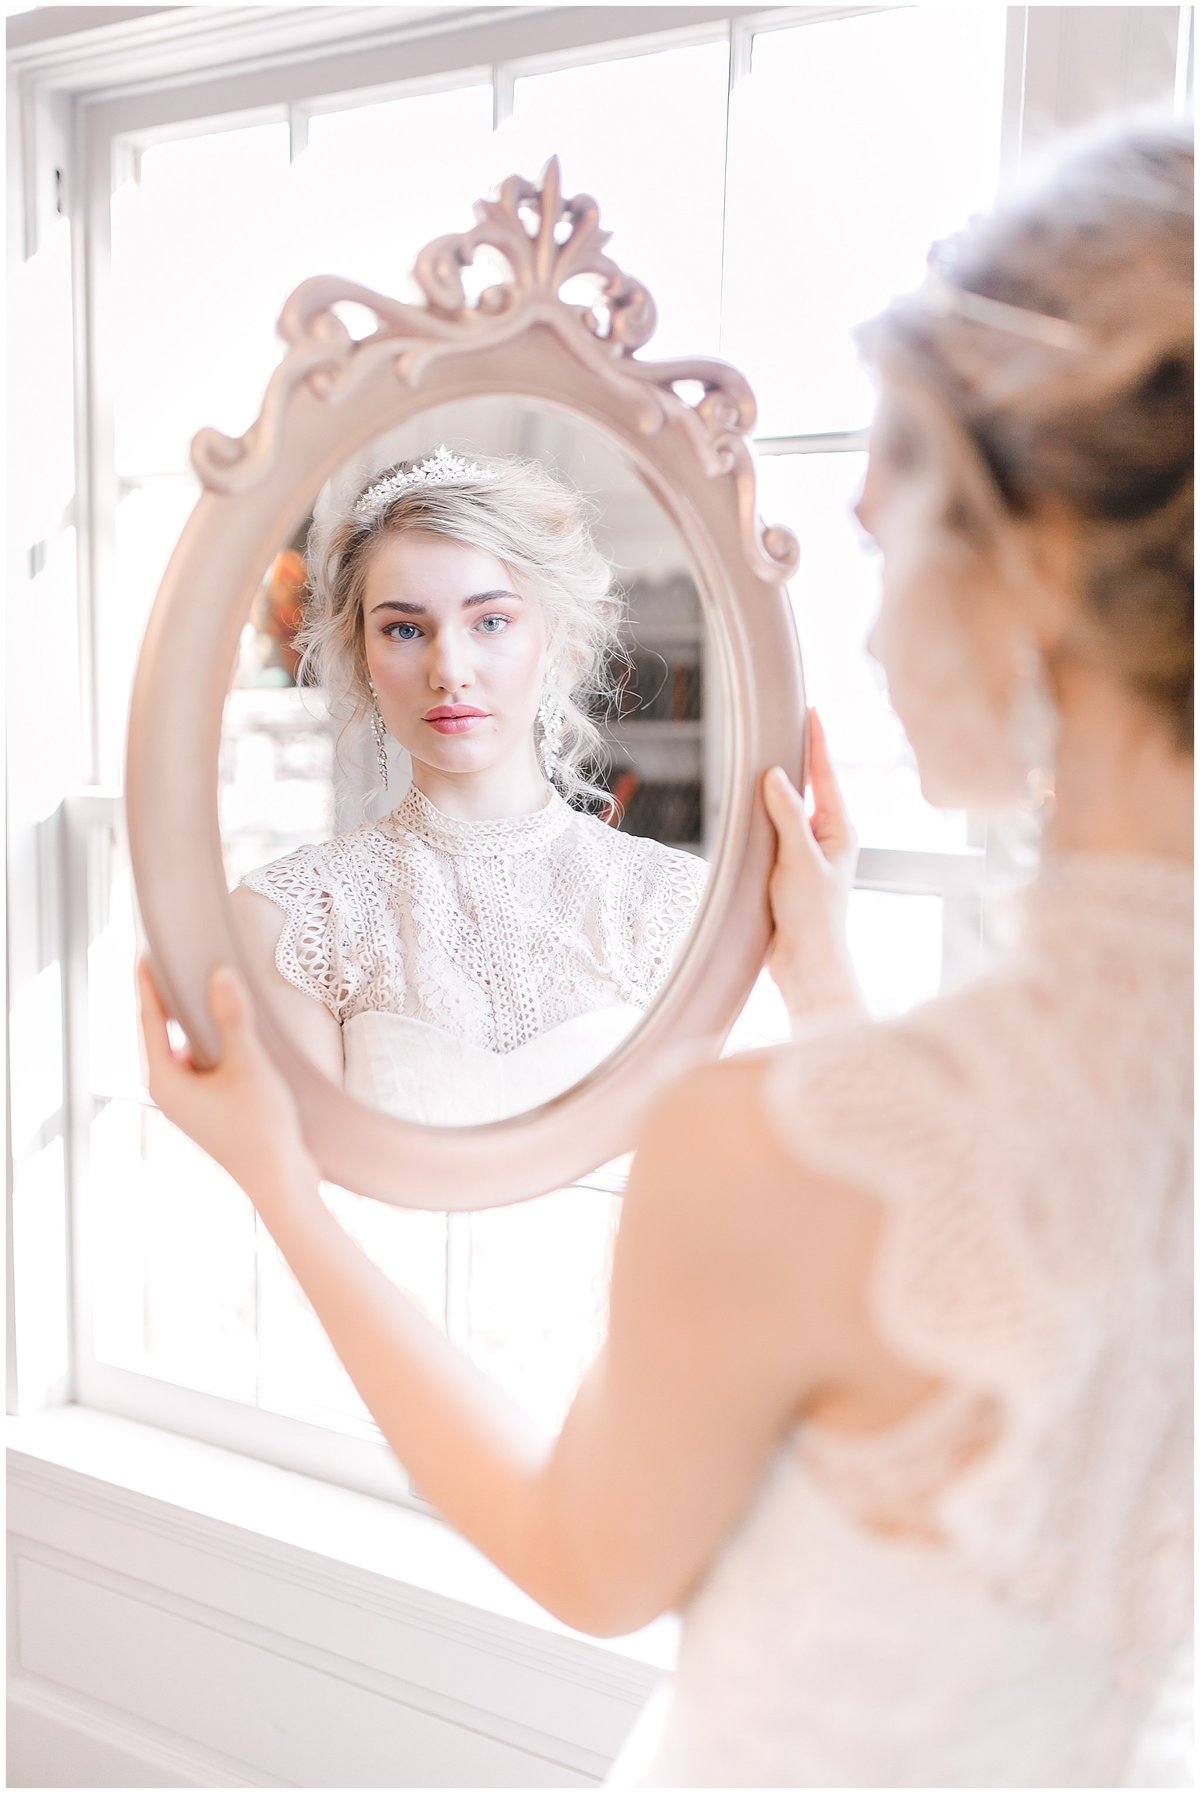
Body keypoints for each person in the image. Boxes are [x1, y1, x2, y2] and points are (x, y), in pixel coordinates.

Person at [139, 113, 1192, 1786]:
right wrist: (827, 982)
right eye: (402, 623)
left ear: (1049, 559)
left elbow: (591, 1553)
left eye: (891, 517)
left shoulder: (756, 1142)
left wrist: (276, 1181)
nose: (853, 579)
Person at [231, 447, 708, 1123]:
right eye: (403, 628)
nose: (449, 669)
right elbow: (300, 1185)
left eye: (490, 621)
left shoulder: (672, 903)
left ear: (558, 640)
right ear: (363, 659)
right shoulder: (292, 920)